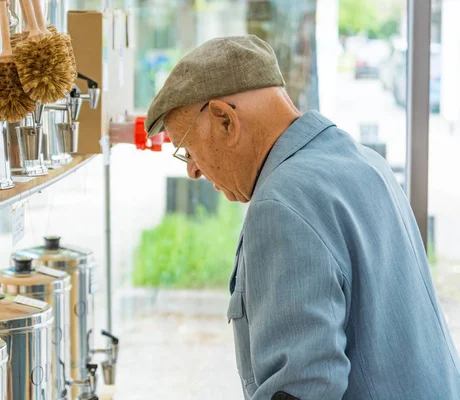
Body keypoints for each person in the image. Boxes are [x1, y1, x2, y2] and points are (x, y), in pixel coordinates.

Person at [145, 35, 460, 400]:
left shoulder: (282, 204)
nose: (193, 171)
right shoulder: (364, 163)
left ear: (225, 120)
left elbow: (301, 389)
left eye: (187, 149)